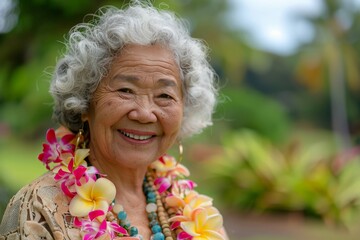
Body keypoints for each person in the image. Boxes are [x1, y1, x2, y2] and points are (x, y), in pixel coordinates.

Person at [0, 2, 227, 240]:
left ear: (184, 110)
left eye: (164, 96)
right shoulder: (40, 209)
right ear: (85, 102)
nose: (144, 113)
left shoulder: (198, 214)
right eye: (126, 90)